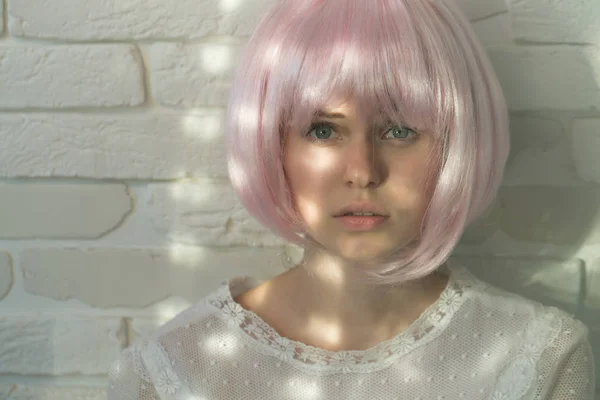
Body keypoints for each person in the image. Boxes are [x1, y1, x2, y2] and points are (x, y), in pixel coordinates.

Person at [107, 0, 596, 398]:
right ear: (273, 144)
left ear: (455, 143)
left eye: (400, 130)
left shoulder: (538, 358)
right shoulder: (172, 371)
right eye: (323, 131)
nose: (363, 171)